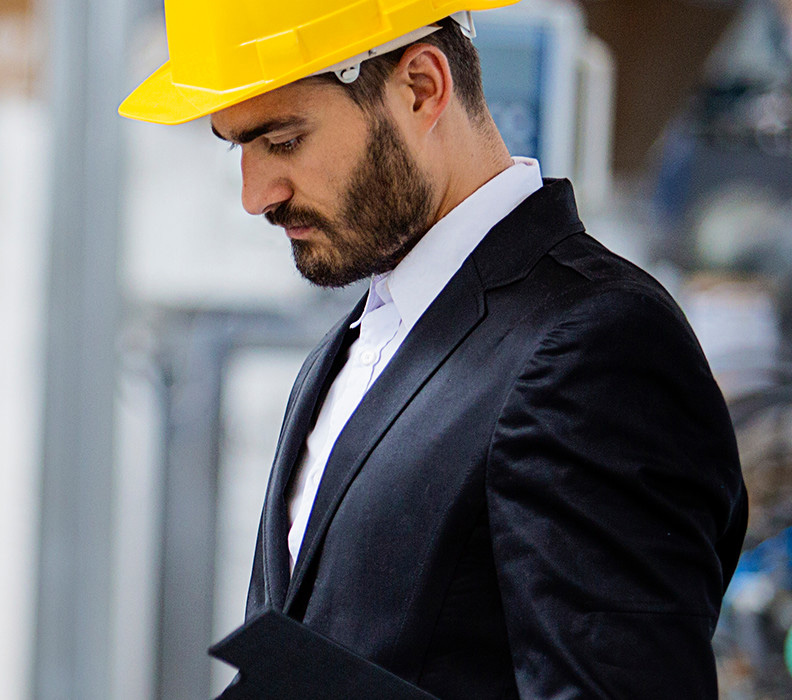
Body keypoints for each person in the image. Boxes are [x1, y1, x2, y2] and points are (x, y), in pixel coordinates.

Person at [121, 1, 747, 697]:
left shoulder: (595, 348)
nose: (255, 195)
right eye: (238, 147)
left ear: (421, 87)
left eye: (284, 141)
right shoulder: (356, 347)